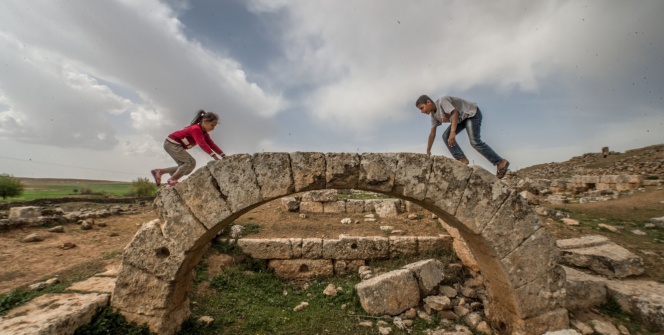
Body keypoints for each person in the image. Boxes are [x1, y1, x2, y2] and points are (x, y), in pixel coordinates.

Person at [415, 95, 510, 179]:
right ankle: (462, 158)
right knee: (445, 136)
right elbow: (432, 134)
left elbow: (455, 112)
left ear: (428, 102)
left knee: (475, 142)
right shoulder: (433, 115)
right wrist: (428, 150)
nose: (421, 111)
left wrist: (453, 133)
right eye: (420, 110)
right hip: (461, 119)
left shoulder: (442, 101)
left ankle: (500, 162)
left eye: (422, 108)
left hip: (471, 114)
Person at [151, 110, 225, 186]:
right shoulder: (196, 129)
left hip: (172, 144)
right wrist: (214, 156)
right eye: (212, 125)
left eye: (214, 126)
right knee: (190, 162)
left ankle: (160, 171)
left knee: (186, 167)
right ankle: (172, 180)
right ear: (205, 121)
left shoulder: (204, 134)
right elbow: (202, 143)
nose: (213, 128)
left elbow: (211, 144)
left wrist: (223, 155)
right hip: (172, 143)